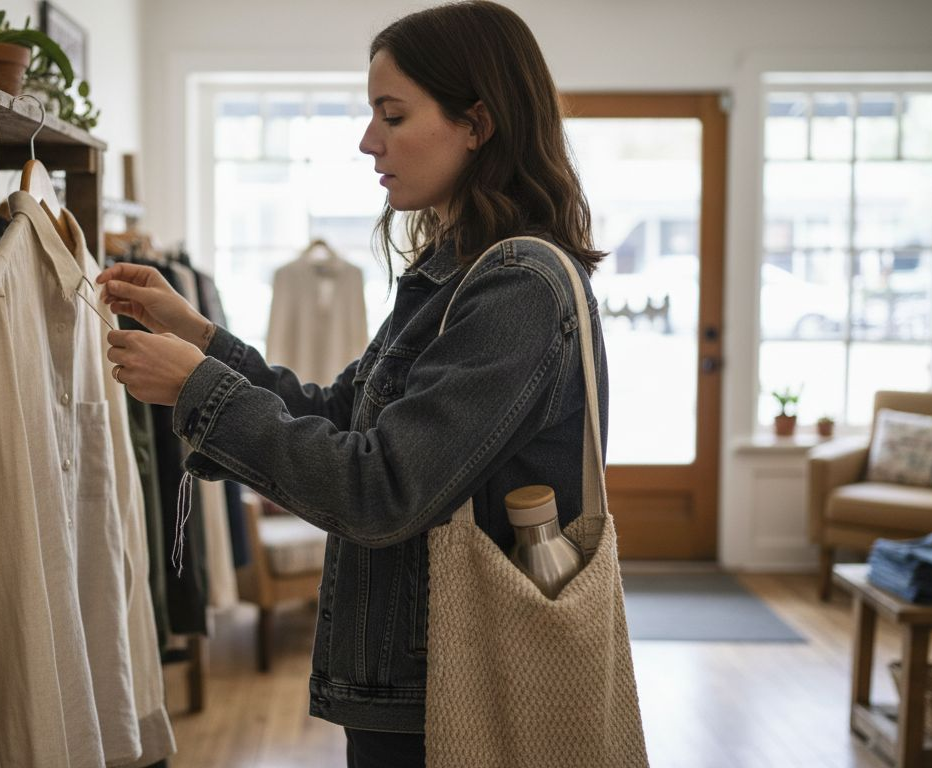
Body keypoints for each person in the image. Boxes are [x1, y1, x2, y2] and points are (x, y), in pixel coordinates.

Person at [96, 2, 608, 766]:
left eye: (392, 115)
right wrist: (197, 333)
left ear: (478, 122)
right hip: (412, 681)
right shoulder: (454, 274)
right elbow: (338, 414)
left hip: (454, 689)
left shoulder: (518, 289)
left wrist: (200, 387)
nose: (369, 141)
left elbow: (381, 491)